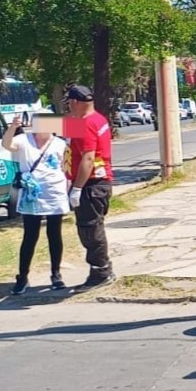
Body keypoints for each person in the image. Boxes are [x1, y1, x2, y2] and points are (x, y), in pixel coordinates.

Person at [2, 115, 71, 295]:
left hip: (54, 193)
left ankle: (56, 274)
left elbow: (66, 166)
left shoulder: (60, 143)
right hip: (31, 195)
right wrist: (12, 128)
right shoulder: (23, 140)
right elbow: (6, 144)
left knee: (54, 233)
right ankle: (22, 276)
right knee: (30, 235)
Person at [65, 85, 116, 290]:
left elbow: (88, 158)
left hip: (91, 184)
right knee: (90, 227)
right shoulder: (96, 119)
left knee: (90, 229)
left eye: (69, 103)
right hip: (94, 182)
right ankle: (99, 269)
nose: (69, 107)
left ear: (76, 102)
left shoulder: (87, 124)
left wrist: (77, 188)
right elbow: (68, 143)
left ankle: (101, 272)